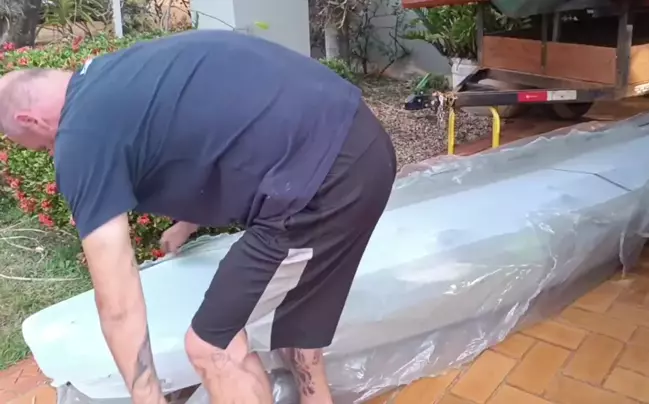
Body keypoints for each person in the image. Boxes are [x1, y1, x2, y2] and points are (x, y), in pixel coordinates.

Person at [0, 30, 396, 404]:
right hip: (358, 141)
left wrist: (147, 396)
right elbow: (209, 122)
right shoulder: (113, 74)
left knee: (211, 347)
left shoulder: (80, 137)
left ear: (29, 121)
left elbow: (118, 301)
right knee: (296, 316)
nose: (49, 153)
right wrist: (189, 222)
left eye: (38, 146)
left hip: (323, 183)